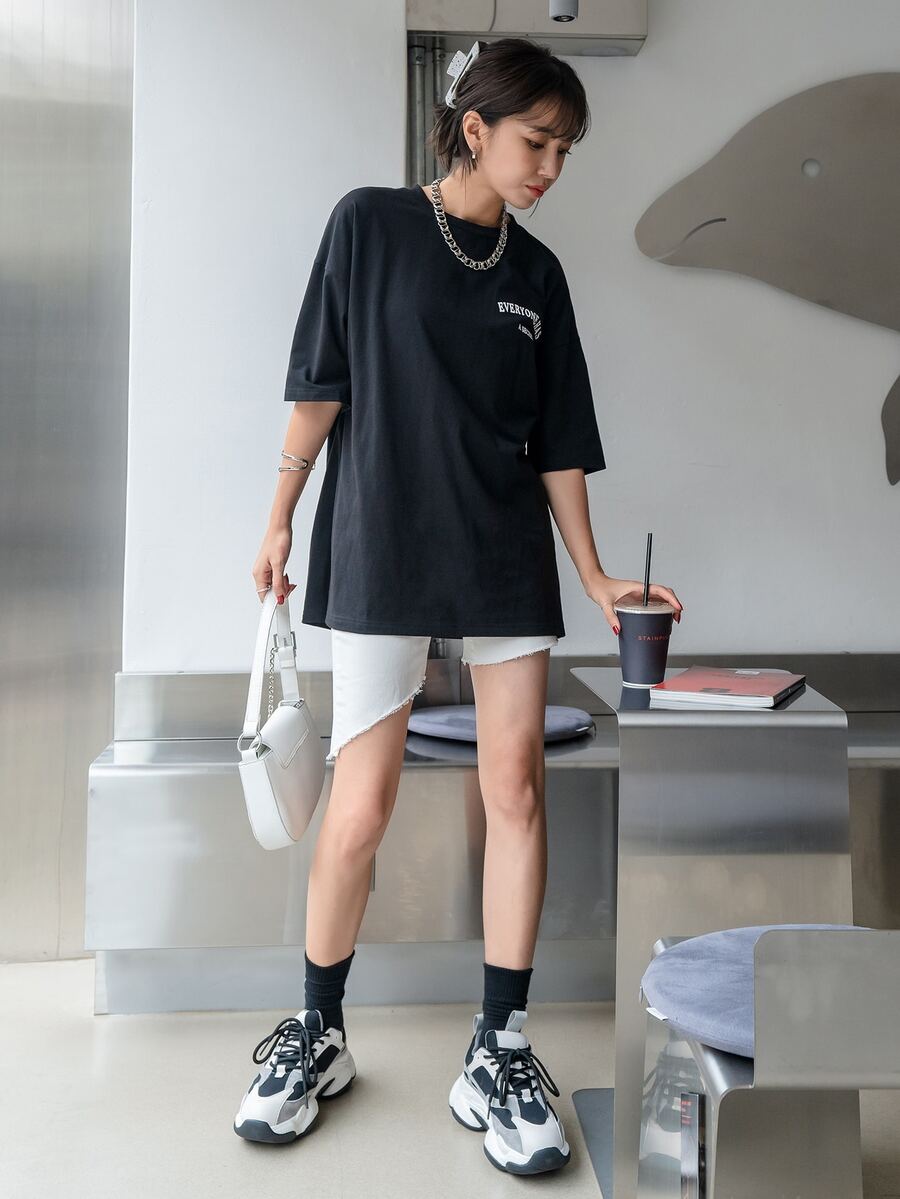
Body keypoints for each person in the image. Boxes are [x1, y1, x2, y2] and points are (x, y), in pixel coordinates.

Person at [234, 36, 683, 1174]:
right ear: (475, 128)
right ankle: (319, 1030)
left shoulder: (540, 277)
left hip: (500, 553)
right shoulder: (369, 226)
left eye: (566, 150)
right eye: (539, 142)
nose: (552, 168)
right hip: (381, 540)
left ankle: (499, 1044)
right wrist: (279, 516)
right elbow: (320, 386)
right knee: (362, 801)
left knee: (516, 787)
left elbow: (560, 445)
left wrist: (595, 575)